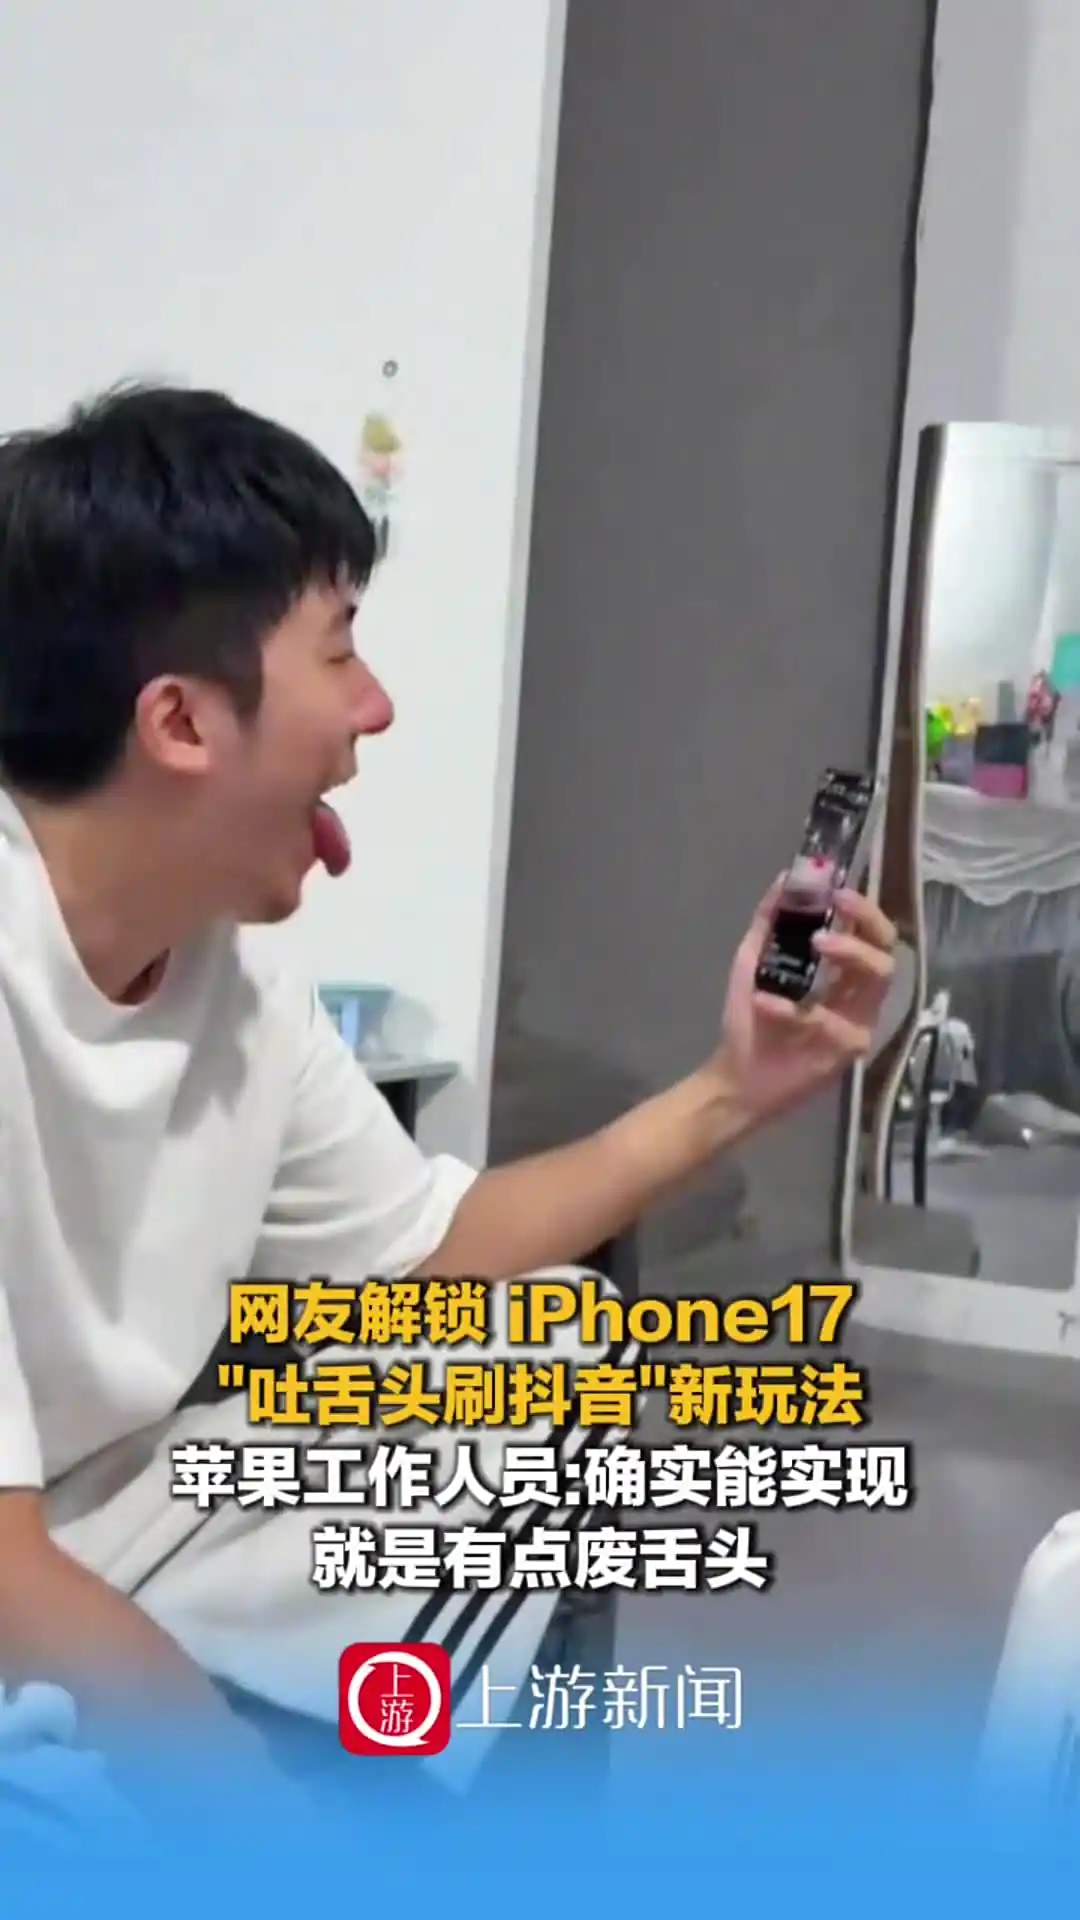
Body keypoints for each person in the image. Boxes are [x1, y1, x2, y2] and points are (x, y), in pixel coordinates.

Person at [0, 383, 896, 1815]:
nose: (376, 706)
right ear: (180, 721)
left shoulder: (234, 980)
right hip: (20, 1559)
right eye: (339, 650)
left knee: (555, 1345)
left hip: (105, 1510)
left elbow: (435, 1253)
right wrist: (251, 1818)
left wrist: (736, 1089)